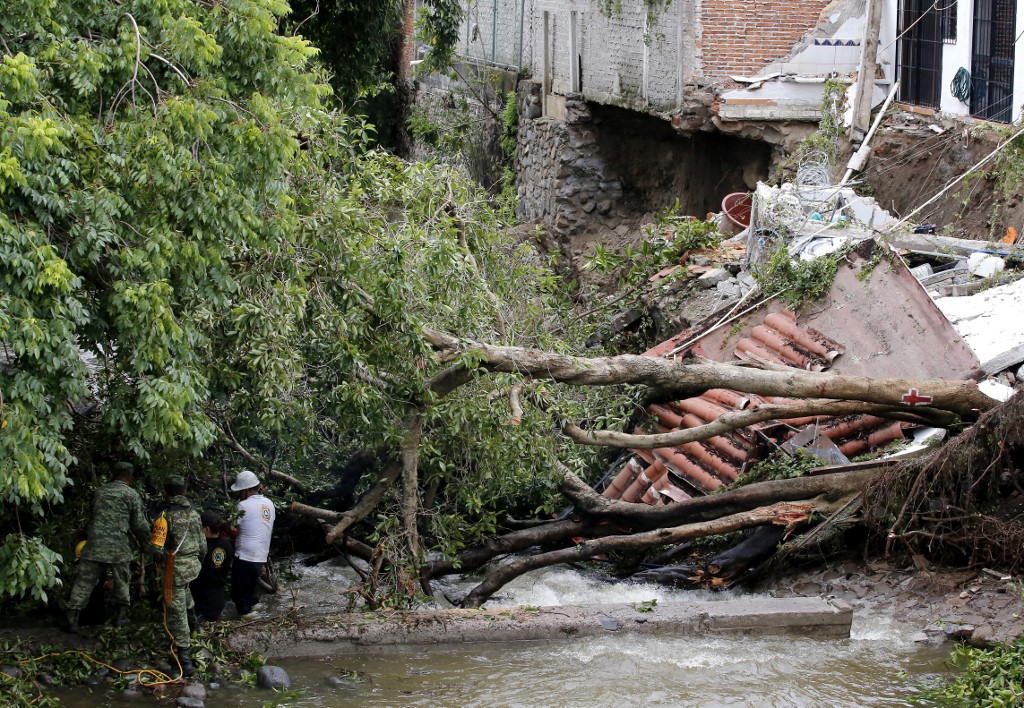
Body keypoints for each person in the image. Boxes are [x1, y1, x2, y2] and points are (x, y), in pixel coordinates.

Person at [64, 462, 150, 633]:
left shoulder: (100, 491)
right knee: (121, 581)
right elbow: (139, 524)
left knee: (83, 582)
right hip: (117, 546)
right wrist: (146, 545)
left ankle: (72, 620)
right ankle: (121, 617)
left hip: (94, 544)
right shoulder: (131, 494)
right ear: (130, 477)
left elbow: (93, 516)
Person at [153, 476, 205, 677]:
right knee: (186, 595)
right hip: (192, 567)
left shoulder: (164, 516)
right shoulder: (195, 514)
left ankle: (184, 661)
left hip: (174, 571)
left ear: (166, 492)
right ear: (184, 491)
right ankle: (196, 631)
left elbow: (156, 550)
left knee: (176, 614)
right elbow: (202, 547)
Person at [229, 470, 275, 616]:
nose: (239, 495)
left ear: (247, 490)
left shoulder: (242, 506)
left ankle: (248, 620)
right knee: (250, 586)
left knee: (238, 593)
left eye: (240, 491)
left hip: (245, 555)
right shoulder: (269, 503)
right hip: (261, 554)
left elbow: (232, 527)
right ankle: (255, 606)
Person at [189, 510, 234, 623]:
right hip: (218, 600)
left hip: (200, 602)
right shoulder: (227, 545)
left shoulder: (199, 548)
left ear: (206, 529)